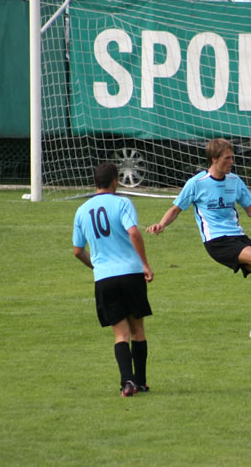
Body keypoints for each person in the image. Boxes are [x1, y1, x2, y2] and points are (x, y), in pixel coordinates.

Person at [147, 138, 251, 339]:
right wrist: (161, 225)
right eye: (227, 158)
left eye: (232, 157)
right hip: (216, 240)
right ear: (214, 159)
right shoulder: (197, 183)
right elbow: (175, 209)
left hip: (238, 236)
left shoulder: (234, 181)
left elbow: (250, 209)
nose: (232, 161)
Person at [72, 162, 155, 398]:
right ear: (115, 180)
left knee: (120, 334)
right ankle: (141, 381)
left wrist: (96, 266)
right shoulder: (122, 203)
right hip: (130, 273)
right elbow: (134, 232)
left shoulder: (81, 210)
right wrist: (145, 264)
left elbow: (78, 251)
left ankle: (127, 383)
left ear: (95, 182)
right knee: (138, 330)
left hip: (105, 279)